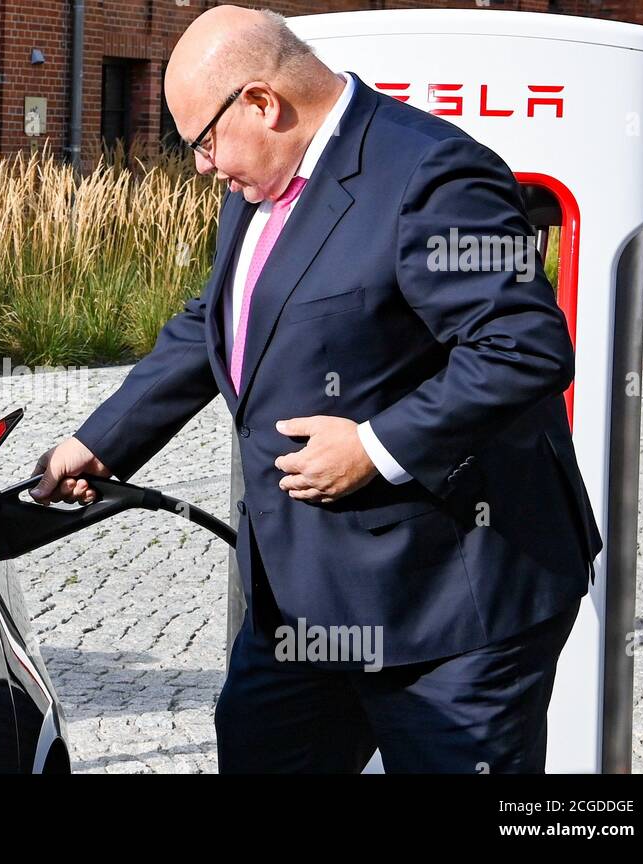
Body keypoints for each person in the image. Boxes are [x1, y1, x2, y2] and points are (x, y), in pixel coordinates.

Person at [31, 6, 602, 773]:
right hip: (303, 604)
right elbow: (221, 319)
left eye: (202, 140)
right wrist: (100, 441)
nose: (201, 166)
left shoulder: (431, 172)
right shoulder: (262, 174)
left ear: (263, 103)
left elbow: (522, 347)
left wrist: (375, 446)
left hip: (449, 611)